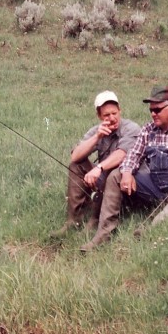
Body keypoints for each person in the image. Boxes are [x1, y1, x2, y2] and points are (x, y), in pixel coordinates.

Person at [80, 85, 168, 251]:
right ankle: (103, 234)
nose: (153, 114)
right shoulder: (149, 129)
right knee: (115, 176)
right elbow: (133, 155)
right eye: (151, 110)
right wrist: (127, 173)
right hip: (157, 184)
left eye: (157, 109)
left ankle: (148, 232)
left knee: (167, 214)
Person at [50, 90, 140, 239]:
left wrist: (98, 168)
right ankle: (73, 221)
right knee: (76, 165)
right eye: (106, 115)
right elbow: (75, 156)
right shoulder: (98, 130)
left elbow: (122, 154)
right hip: (105, 179)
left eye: (114, 113)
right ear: (99, 116)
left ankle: (95, 220)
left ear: (120, 111)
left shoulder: (131, 128)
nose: (112, 118)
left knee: (112, 171)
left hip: (128, 182)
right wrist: (97, 137)